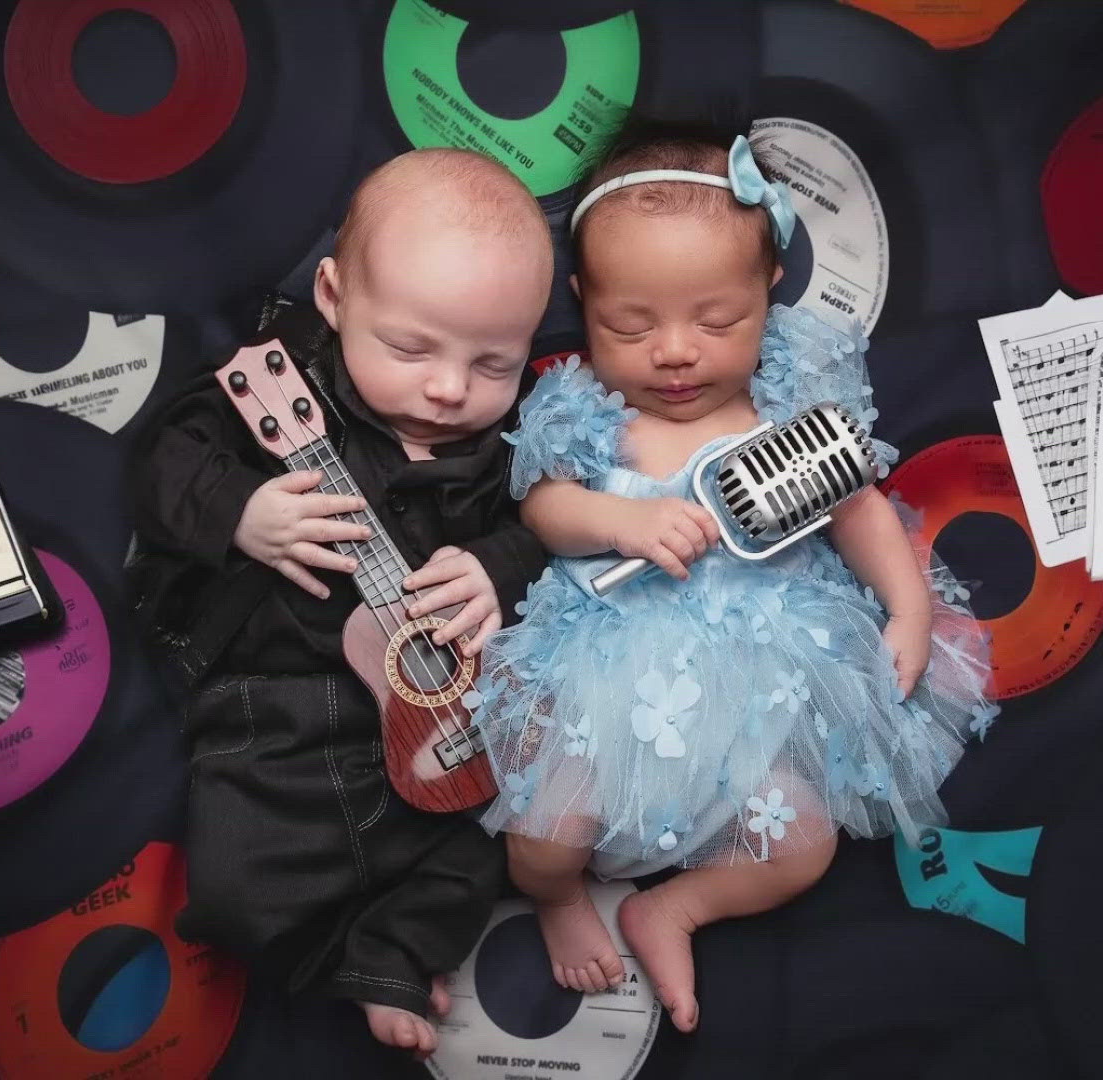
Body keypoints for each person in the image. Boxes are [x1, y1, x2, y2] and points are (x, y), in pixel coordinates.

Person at [469, 116, 999, 1033]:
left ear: (771, 289)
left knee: (801, 849)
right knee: (542, 843)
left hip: (768, 678)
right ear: (582, 298)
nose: (675, 351)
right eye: (627, 324)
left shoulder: (789, 398)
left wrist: (907, 606)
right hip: (610, 672)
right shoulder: (588, 407)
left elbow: (859, 505)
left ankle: (675, 906)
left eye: (719, 320)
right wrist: (619, 519)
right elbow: (543, 511)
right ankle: (561, 900)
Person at [128, 147, 554, 1059]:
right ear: (333, 297)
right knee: (237, 891)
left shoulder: (510, 444)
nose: (448, 388)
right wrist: (240, 512)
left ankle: (392, 954)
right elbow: (161, 461)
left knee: (497, 835)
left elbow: (548, 529)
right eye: (409, 348)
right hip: (279, 709)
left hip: (447, 707)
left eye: (494, 363)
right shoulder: (273, 392)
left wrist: (495, 567)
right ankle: (331, 953)